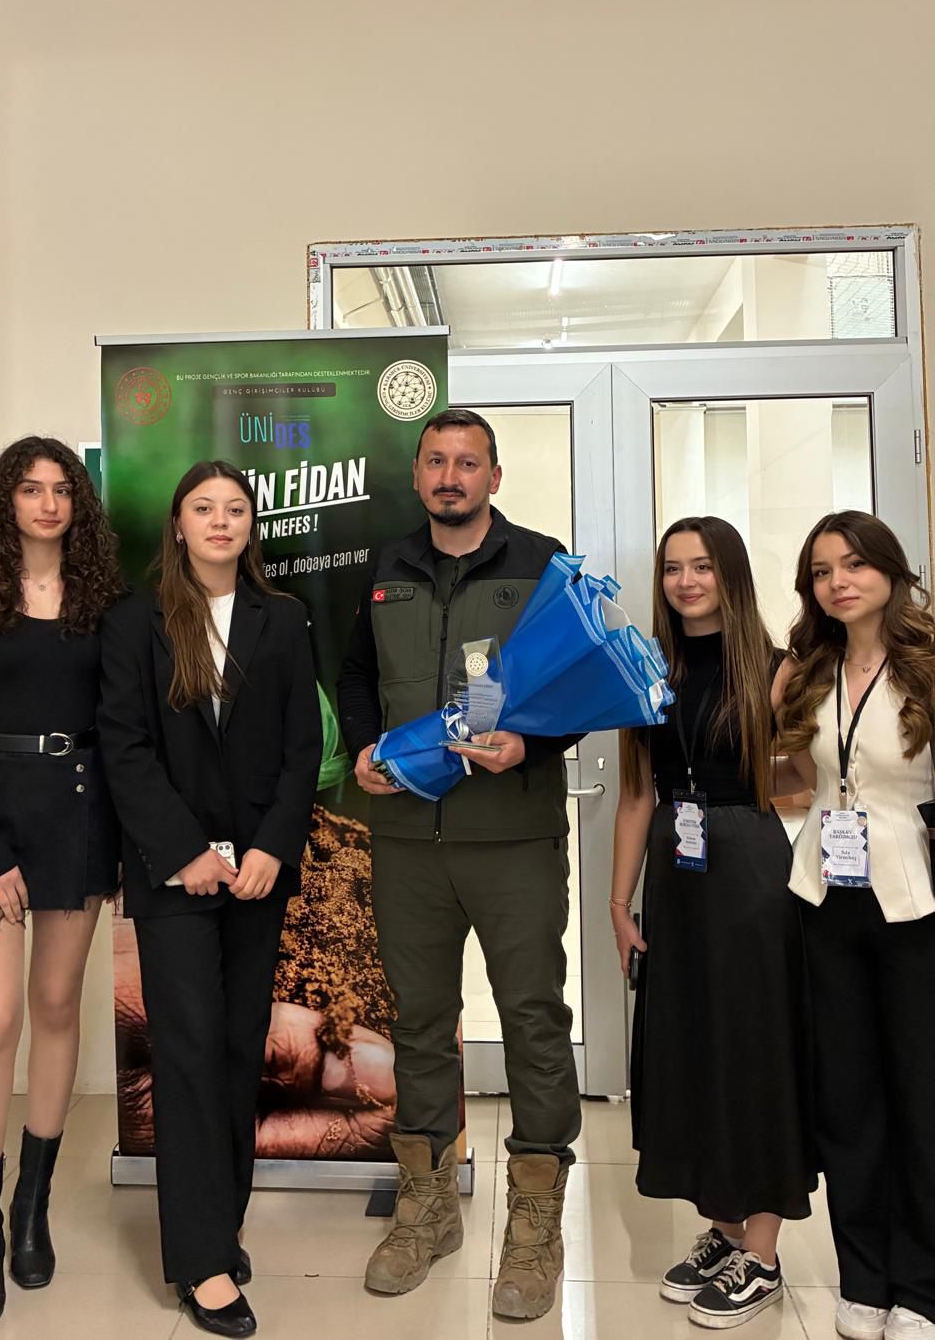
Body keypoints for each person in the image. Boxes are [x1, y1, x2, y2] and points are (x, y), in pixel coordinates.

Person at [336, 407, 581, 1321]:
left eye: (467, 462)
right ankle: (427, 1208)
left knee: (533, 1023)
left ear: (494, 476)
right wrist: (363, 746)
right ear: (416, 475)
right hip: (408, 841)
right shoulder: (382, 567)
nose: (450, 476)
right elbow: (353, 675)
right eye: (436, 461)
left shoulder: (543, 563)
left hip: (513, 841)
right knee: (421, 1023)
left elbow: (578, 682)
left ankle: (535, 1227)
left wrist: (533, 744)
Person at [775, 511, 935, 1340]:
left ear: (890, 571)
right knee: (848, 1105)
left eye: (854, 565)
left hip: (923, 911)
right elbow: (800, 781)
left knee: (927, 1104)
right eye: (821, 572)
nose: (838, 582)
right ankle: (866, 1279)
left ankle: (932, 1292)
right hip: (825, 904)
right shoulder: (810, 671)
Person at [99, 460, 320, 1338]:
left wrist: (271, 846)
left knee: (236, 1050)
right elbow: (124, 747)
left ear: (250, 526)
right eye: (204, 507)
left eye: (235, 509)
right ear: (179, 524)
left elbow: (302, 748)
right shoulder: (134, 621)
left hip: (258, 873)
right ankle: (201, 1263)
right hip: (175, 873)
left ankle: (218, 1226)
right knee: (188, 1053)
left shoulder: (284, 619)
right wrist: (184, 852)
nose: (220, 521)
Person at [0, 435, 124, 1329]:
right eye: (31, 488)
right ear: (6, 499)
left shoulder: (107, 599)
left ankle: (30, 1209)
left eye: (62, 489)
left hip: (80, 811)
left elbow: (126, 724)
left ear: (78, 503)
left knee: (53, 1007)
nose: (47, 503)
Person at [612, 516, 815, 1329]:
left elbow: (809, 775)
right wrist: (618, 903)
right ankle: (725, 1230)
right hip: (676, 872)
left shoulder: (777, 668)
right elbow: (637, 795)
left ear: (730, 575)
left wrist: (748, 785)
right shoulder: (646, 670)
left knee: (752, 1049)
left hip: (750, 876)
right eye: (673, 568)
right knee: (689, 1048)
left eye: (701, 566)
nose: (686, 581)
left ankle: (761, 1254)